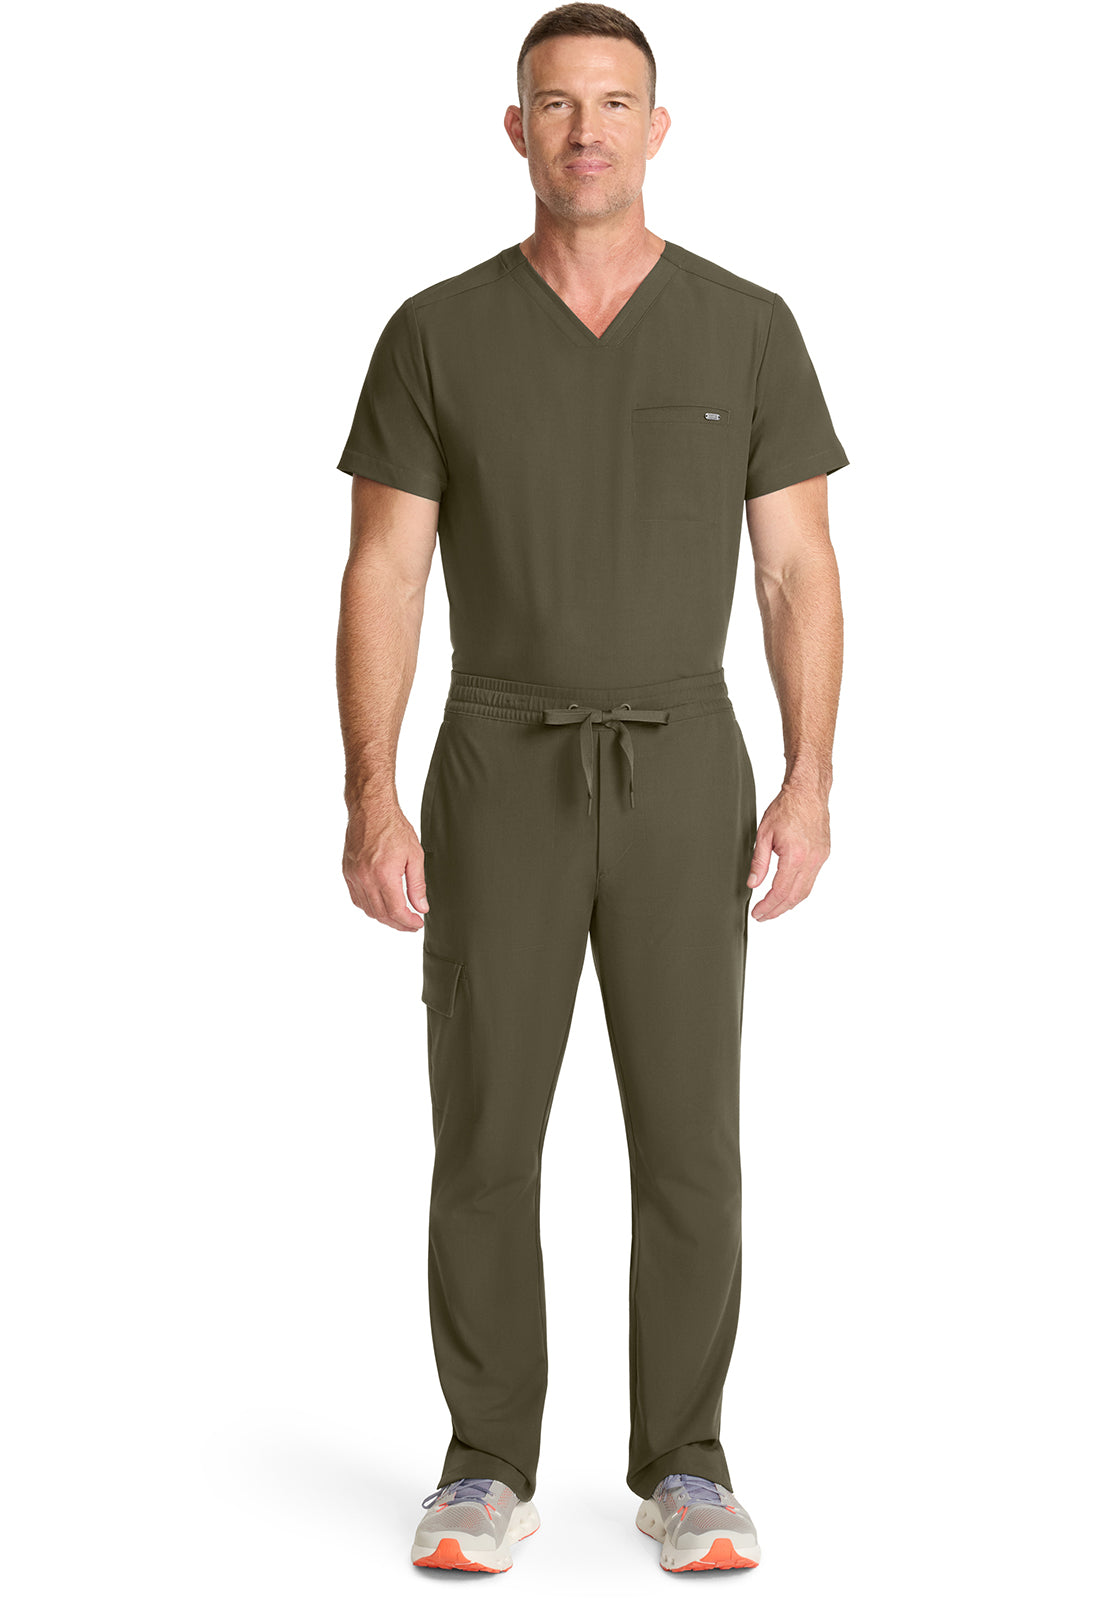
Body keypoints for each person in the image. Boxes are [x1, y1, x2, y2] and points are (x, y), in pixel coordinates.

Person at [335, 3, 848, 1576]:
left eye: (615, 102)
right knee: (486, 1129)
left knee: (690, 1136)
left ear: (658, 128)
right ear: (516, 129)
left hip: (688, 761)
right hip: (499, 759)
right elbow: (384, 573)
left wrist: (811, 778)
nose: (586, 130)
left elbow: (798, 572)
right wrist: (371, 792)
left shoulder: (746, 327)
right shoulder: (437, 332)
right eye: (556, 103)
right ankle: (484, 1465)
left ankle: (686, 1463)